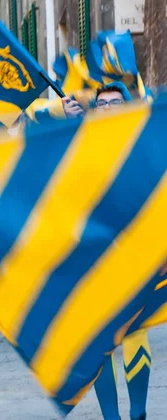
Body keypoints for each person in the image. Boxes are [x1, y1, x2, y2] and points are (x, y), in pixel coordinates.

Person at [92, 83, 151, 420]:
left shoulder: (140, 146)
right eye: (102, 104)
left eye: (116, 102)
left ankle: (138, 413)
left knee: (135, 332)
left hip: (134, 255)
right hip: (96, 259)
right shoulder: (79, 147)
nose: (110, 107)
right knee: (101, 342)